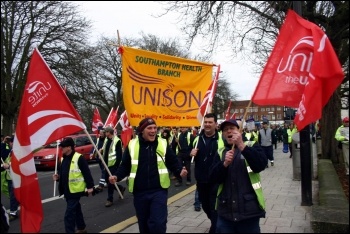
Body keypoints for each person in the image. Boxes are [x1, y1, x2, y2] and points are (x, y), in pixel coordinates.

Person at [108, 117, 187, 233]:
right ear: (142, 130)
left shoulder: (162, 143)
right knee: (143, 225)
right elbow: (125, 165)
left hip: (158, 191)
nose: (153, 131)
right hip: (140, 192)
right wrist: (117, 176)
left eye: (155, 128)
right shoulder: (132, 145)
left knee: (158, 224)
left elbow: (173, 161)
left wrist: (180, 170)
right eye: (149, 128)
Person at [209, 119, 267, 233]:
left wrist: (241, 146)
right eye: (225, 130)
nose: (229, 131)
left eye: (232, 128)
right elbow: (213, 178)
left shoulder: (251, 145)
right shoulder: (221, 152)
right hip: (225, 211)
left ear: (240, 131)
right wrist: (224, 164)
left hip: (249, 211)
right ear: (223, 134)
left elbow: (260, 165)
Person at [52, 137, 95, 233]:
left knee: (69, 215)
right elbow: (64, 174)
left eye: (63, 147)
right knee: (76, 209)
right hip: (67, 190)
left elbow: (86, 173)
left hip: (76, 190)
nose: (61, 148)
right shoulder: (63, 159)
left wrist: (90, 187)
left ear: (69, 147)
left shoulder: (79, 158)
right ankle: (81, 227)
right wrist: (58, 177)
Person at [190, 113, 223, 233]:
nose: (207, 124)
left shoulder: (221, 139)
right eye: (206, 122)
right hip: (202, 180)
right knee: (205, 205)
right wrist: (191, 154)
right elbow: (188, 157)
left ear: (216, 124)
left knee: (214, 206)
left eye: (210, 122)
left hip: (216, 180)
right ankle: (215, 222)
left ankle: (215, 227)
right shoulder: (197, 139)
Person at [100, 126, 126, 207]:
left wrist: (116, 166)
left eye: (106, 132)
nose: (105, 133)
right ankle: (121, 188)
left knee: (110, 182)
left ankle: (109, 199)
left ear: (109, 132)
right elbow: (105, 151)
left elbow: (119, 155)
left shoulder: (117, 141)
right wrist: (101, 151)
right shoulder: (106, 140)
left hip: (113, 165)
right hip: (106, 164)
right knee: (108, 181)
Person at [1, 136, 19, 222]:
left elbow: (18, 163)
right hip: (9, 176)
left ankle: (13, 213)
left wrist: (8, 165)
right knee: (14, 195)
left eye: (11, 142)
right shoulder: (11, 152)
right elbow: (8, 161)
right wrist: (4, 165)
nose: (10, 144)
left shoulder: (17, 152)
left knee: (12, 196)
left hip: (14, 177)